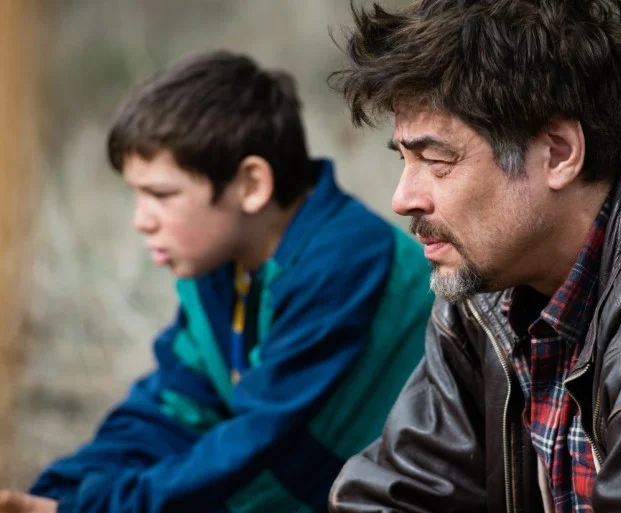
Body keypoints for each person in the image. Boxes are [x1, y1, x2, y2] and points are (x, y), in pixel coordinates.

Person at [327, 1, 621, 512]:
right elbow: (398, 492)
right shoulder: (487, 282)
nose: (403, 198)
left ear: (559, 152)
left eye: (436, 159)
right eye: (404, 158)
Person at [0, 50, 433, 513]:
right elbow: (174, 408)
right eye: (136, 194)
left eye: (161, 194)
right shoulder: (224, 264)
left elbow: (257, 461)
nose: (141, 220)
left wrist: (85, 510)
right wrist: (57, 493)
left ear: (250, 185)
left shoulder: (344, 260)